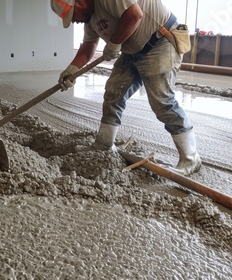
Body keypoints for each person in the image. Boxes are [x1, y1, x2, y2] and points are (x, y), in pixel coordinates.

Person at [50, 0, 201, 176]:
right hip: (131, 51)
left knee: (162, 101)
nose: (74, 20)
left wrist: (114, 44)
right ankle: (105, 144)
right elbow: (89, 45)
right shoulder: (89, 19)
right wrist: (72, 69)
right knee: (113, 93)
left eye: (72, 15)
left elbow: (134, 14)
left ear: (80, 2)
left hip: (159, 42)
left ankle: (191, 158)